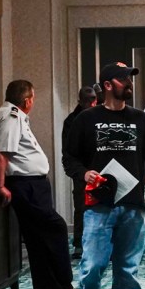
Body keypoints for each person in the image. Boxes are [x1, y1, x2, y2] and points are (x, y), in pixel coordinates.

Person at [63, 62, 145, 289]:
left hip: (133, 205)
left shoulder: (140, 119)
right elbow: (69, 158)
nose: (129, 83)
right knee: (92, 267)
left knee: (127, 270)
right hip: (99, 205)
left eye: (130, 78)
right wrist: (84, 174)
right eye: (123, 79)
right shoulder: (86, 119)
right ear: (108, 85)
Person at [0, 80, 76, 289]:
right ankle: (62, 286)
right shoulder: (12, 117)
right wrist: (0, 186)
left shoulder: (10, 115)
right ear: (27, 100)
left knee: (39, 239)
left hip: (31, 184)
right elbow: (1, 154)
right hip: (26, 185)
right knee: (55, 229)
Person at [61, 85, 97, 260]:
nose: (90, 104)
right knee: (81, 208)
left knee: (103, 208)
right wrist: (80, 172)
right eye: (87, 101)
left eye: (92, 100)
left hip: (100, 168)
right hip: (81, 170)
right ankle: (79, 245)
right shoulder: (72, 121)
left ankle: (101, 244)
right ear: (80, 101)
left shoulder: (99, 116)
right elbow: (68, 152)